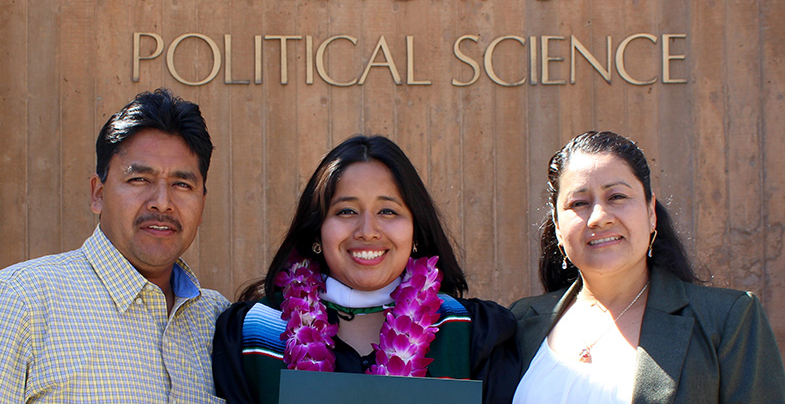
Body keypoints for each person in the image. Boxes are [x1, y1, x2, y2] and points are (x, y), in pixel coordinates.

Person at [0, 88, 230, 403]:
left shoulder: (217, 321)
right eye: (140, 180)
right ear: (98, 194)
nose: (162, 203)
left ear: (202, 203)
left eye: (181, 184)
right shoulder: (19, 302)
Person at [213, 135, 520, 404]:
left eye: (388, 211)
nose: (367, 231)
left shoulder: (469, 332)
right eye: (346, 211)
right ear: (317, 231)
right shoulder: (253, 334)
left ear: (415, 231)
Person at [510, 131, 785, 403]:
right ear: (558, 228)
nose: (599, 218)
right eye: (579, 203)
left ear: (651, 212)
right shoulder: (520, 321)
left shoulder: (727, 319)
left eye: (616, 197)